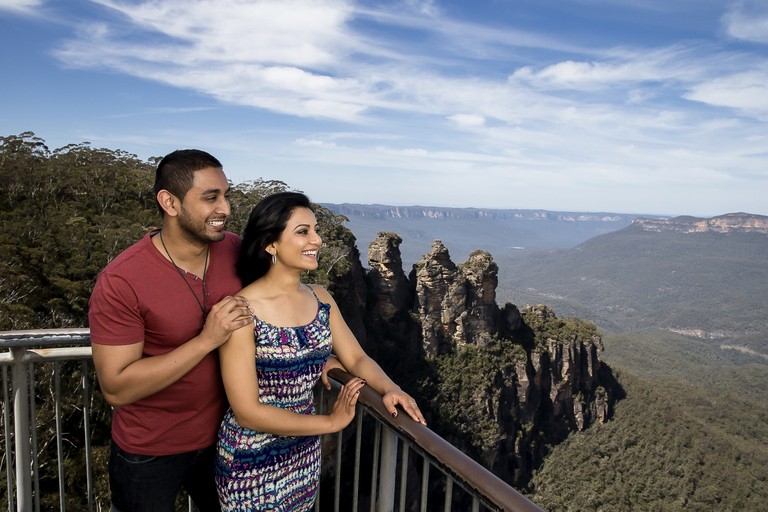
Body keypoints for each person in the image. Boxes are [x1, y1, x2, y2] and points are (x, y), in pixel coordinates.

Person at [214, 192, 427, 512]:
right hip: (251, 463)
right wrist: (331, 423)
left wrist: (390, 389)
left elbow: (355, 358)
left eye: (315, 230)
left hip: (303, 455)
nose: (317, 239)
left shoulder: (320, 297)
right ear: (270, 244)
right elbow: (248, 412)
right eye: (303, 232)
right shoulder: (241, 311)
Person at [88, 149, 254, 512]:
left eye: (226, 196)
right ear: (170, 202)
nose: (225, 208)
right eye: (211, 198)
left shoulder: (236, 250)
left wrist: (324, 357)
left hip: (227, 439)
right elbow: (116, 387)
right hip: (149, 451)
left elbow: (282, 305)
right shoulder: (122, 281)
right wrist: (206, 341)